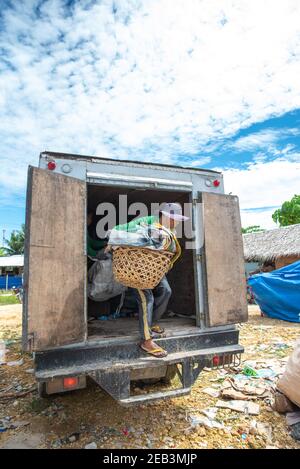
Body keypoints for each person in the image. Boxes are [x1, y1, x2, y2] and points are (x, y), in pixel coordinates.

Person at [107, 202, 189, 358]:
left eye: (177, 219)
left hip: (153, 267)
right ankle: (146, 340)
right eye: (173, 218)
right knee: (147, 298)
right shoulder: (147, 221)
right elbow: (120, 229)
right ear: (165, 215)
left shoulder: (168, 231)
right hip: (136, 267)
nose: (176, 222)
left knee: (166, 290)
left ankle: (151, 323)